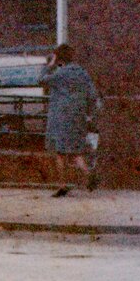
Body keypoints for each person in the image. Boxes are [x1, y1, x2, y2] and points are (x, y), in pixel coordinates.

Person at [43, 43, 101, 197]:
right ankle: (88, 174)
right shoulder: (82, 73)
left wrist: (49, 66)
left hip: (61, 117)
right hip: (78, 116)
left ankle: (62, 186)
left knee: (60, 152)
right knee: (76, 151)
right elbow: (92, 94)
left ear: (59, 58)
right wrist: (89, 113)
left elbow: (41, 80)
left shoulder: (60, 74)